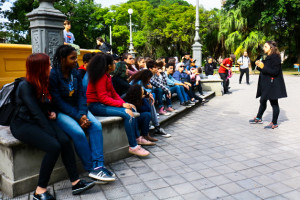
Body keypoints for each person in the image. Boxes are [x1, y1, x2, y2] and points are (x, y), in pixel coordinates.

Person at [11, 53, 95, 200]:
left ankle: (76, 182)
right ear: (39, 67)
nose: (51, 67)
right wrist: (51, 133)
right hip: (23, 124)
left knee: (64, 140)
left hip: (41, 119)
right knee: (54, 146)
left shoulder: (43, 81)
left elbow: (48, 104)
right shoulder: (25, 86)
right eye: (48, 65)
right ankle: (39, 191)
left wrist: (53, 113)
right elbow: (35, 112)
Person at [49, 45, 116, 182]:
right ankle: (91, 168)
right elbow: (58, 101)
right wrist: (79, 116)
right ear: (62, 59)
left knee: (96, 126)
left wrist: (82, 113)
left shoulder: (76, 73)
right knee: (78, 133)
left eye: (76, 58)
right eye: (72, 58)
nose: (75, 61)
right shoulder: (54, 75)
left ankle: (99, 166)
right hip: (61, 111)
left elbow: (81, 96)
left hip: (79, 109)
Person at [86, 53, 151, 156]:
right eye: (113, 63)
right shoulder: (101, 77)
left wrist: (125, 103)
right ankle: (133, 146)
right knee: (128, 114)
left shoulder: (107, 76)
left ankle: (138, 138)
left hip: (102, 104)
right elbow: (103, 98)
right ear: (109, 66)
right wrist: (122, 106)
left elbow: (114, 94)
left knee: (132, 109)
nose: (115, 64)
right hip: (96, 106)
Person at [249, 41, 287, 129]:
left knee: (274, 103)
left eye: (265, 46)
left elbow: (275, 72)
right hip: (266, 84)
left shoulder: (276, 57)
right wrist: (258, 65)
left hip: (272, 84)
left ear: (271, 48)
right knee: (262, 100)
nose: (263, 48)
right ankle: (259, 118)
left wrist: (263, 67)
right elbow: (265, 69)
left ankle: (274, 123)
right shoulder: (269, 57)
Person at [129, 69, 171, 138]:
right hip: (133, 103)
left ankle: (156, 126)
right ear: (145, 77)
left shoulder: (140, 81)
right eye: (149, 78)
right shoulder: (138, 82)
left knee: (150, 100)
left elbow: (146, 91)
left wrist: (148, 93)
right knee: (149, 103)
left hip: (137, 101)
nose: (149, 80)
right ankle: (156, 127)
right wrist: (148, 93)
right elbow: (140, 92)